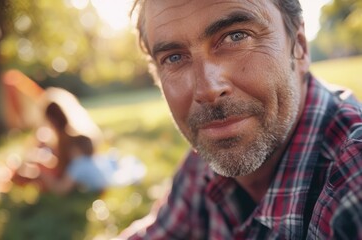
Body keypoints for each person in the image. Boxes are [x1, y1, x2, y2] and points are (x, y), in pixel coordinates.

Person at [118, 0, 362, 239]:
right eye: (174, 57)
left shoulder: (354, 183)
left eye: (236, 36)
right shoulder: (206, 155)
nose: (207, 89)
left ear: (299, 46)